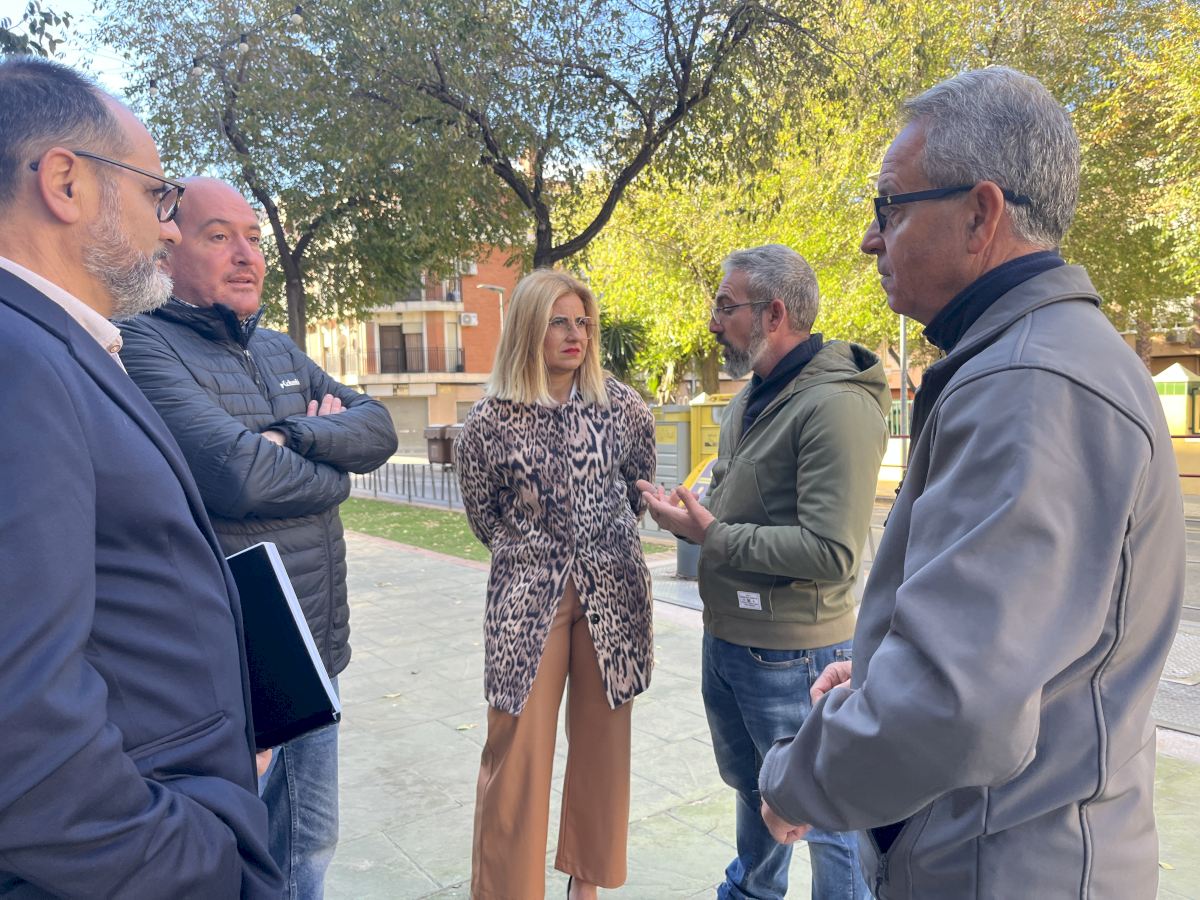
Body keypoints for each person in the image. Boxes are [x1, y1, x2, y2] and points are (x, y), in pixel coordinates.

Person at [756, 67, 1185, 899]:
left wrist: (792, 780)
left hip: (1007, 869)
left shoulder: (1030, 383)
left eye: (889, 207)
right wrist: (880, 671)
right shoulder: (1042, 360)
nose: (870, 240)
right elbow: (1012, 652)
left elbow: (953, 705)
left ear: (981, 215)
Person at [0, 56, 280, 895]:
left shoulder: (57, 345)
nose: (170, 230)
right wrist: (197, 858)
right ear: (65, 183)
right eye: (158, 197)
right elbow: (22, 728)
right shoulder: (20, 363)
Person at [118, 177, 398, 898]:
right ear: (169, 247)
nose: (246, 256)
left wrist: (291, 435)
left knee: (310, 844)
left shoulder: (277, 348)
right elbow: (236, 477)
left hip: (318, 649)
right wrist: (332, 472)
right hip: (238, 661)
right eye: (219, 237)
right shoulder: (142, 343)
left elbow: (378, 430)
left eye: (253, 238)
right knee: (253, 857)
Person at [638, 245, 885, 900]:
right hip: (731, 640)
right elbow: (734, 505)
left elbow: (832, 551)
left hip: (796, 657)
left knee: (822, 815)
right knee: (758, 796)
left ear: (774, 314)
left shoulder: (836, 406)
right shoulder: (750, 398)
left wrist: (712, 535)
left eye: (726, 306)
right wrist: (688, 519)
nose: (713, 321)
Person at [453, 268, 656, 900]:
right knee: (516, 750)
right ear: (527, 330)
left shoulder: (622, 406)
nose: (576, 335)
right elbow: (484, 513)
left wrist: (602, 541)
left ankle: (586, 884)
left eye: (582, 322)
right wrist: (530, 553)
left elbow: (637, 488)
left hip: (612, 592)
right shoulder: (489, 420)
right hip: (528, 599)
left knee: (603, 745)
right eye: (558, 322)